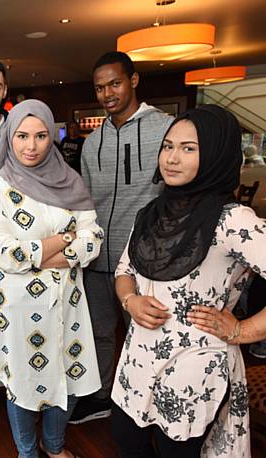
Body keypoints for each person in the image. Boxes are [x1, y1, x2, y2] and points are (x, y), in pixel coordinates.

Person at [111, 105, 263, 457]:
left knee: (175, 451)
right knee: (126, 439)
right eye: (168, 146)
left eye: (188, 148)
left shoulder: (234, 220)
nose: (172, 158)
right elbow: (124, 272)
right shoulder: (152, 212)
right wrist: (130, 301)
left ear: (214, 154)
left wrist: (242, 331)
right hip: (138, 356)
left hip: (195, 364)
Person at [0, 100, 102, 458]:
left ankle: (55, 445)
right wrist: (63, 241)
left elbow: (93, 239)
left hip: (66, 302)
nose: (31, 145)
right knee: (23, 381)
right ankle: (27, 452)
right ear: (9, 138)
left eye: (41, 135)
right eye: (22, 135)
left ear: (51, 137)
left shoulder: (70, 181)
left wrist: (38, 252)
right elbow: (3, 253)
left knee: (66, 374)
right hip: (15, 306)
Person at [72, 51, 174, 424]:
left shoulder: (165, 129)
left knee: (145, 333)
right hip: (99, 259)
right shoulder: (91, 141)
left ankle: (152, 403)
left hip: (145, 260)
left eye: (114, 83)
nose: (107, 93)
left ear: (133, 80)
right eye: (100, 88)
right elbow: (84, 199)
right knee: (99, 332)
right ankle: (100, 396)